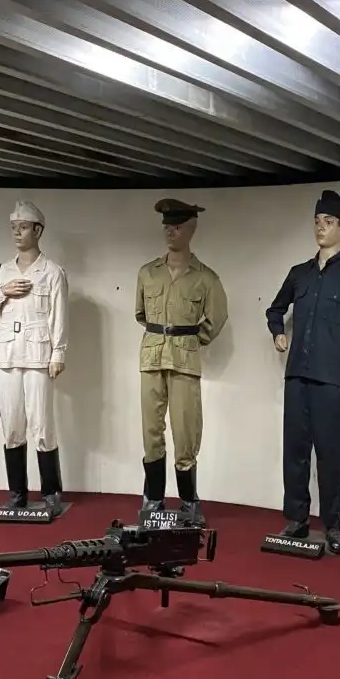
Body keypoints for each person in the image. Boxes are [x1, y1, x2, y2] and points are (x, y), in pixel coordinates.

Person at [266, 189, 340, 555]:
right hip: (298, 374)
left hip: (332, 378)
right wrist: (278, 332)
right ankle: (296, 519)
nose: (320, 228)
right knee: (295, 450)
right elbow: (275, 309)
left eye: (328, 222)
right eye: (316, 222)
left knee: (330, 455)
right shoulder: (300, 274)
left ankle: (332, 525)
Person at [136, 198, 228, 526]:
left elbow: (216, 318)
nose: (169, 232)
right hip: (151, 357)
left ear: (191, 229)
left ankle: (189, 500)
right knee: (151, 430)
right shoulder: (148, 273)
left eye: (176, 227)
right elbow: (141, 313)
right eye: (166, 226)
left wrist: (190, 340)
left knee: (186, 430)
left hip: (184, 361)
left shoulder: (206, 278)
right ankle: (154, 498)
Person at [0, 200, 69, 513]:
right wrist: (3, 291)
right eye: (14, 227)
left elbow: (59, 315)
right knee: (12, 427)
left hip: (39, 356)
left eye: (23, 227)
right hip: (8, 357)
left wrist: (59, 352)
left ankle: (51, 492)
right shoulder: (1, 271)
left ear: (38, 231)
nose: (17, 233)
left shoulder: (52, 272)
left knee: (42, 427)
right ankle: (17, 493)